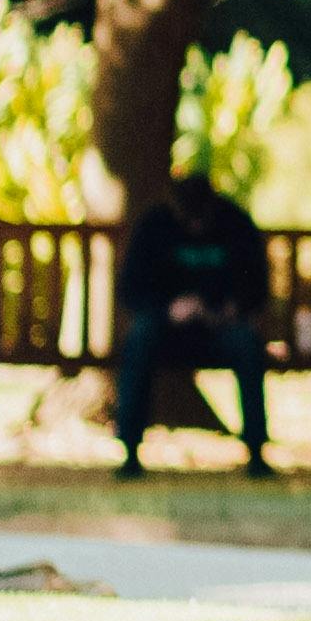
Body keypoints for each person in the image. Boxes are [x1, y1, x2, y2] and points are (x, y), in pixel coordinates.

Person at [112, 175, 274, 479]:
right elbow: (131, 288)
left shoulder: (235, 223)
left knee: (247, 344)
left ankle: (256, 451)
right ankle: (130, 451)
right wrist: (168, 310)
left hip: (218, 331)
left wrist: (230, 309)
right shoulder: (154, 225)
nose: (196, 226)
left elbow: (257, 285)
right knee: (139, 338)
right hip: (166, 330)